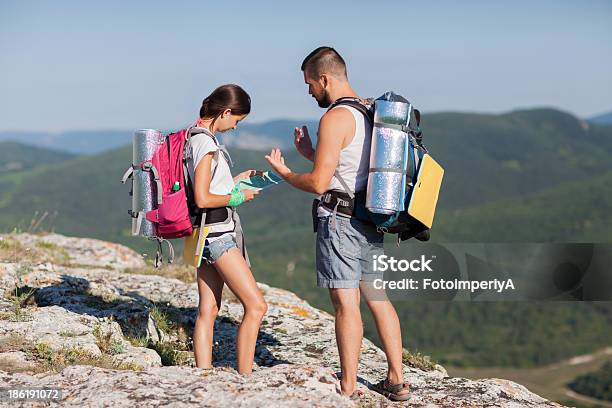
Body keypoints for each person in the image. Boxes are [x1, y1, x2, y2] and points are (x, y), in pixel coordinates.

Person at [265, 47, 409, 400]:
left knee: (346, 304)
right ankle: (396, 377)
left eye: (310, 83)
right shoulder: (370, 111)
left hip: (340, 222)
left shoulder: (333, 118)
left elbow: (318, 183)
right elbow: (352, 167)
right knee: (378, 298)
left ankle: (347, 385)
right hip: (370, 216)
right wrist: (313, 154)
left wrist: (284, 172)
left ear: (324, 78)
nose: (309, 91)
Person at [189, 84, 268, 374]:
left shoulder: (192, 137)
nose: (234, 127)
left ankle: (204, 374)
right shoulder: (207, 145)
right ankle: (244, 377)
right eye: (236, 120)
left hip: (202, 234)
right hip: (218, 236)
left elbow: (207, 189)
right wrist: (237, 197)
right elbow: (203, 198)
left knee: (208, 310)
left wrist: (235, 181)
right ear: (225, 112)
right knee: (257, 307)